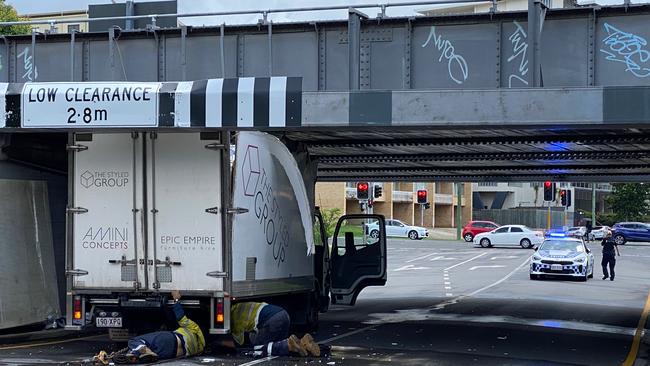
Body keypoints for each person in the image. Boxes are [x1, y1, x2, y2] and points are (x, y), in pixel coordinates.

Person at [114, 290, 205, 363]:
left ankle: (137, 352)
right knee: (149, 350)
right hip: (173, 353)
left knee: (134, 341)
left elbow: (180, 317)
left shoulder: (194, 327)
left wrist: (176, 299)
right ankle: (136, 354)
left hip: (173, 340)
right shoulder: (200, 347)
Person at [228, 302, 321, 358]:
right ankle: (303, 344)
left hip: (273, 320)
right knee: (277, 345)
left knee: (258, 348)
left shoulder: (233, 319)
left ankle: (287, 345)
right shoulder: (239, 306)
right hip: (283, 314)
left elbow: (240, 342)